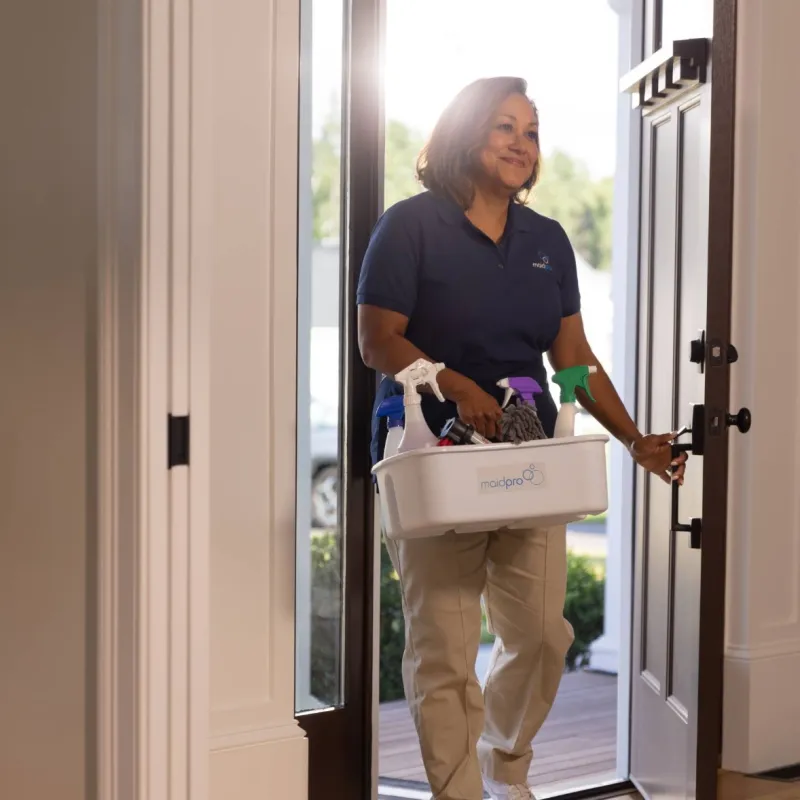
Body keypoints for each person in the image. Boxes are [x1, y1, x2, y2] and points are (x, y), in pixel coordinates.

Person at [356, 77, 686, 800]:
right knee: (442, 649)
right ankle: (458, 792)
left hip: (524, 452)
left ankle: (506, 765)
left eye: (531, 133)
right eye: (505, 126)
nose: (520, 143)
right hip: (428, 457)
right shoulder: (410, 226)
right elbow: (377, 340)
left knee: (541, 635)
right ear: (466, 134)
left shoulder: (548, 241)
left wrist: (634, 440)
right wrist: (453, 382)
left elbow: (572, 359)